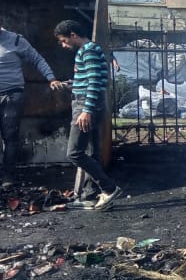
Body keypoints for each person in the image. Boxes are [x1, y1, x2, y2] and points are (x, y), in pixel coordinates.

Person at [53, 20, 122, 211]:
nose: (63, 45)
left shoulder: (88, 50)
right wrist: (68, 84)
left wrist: (86, 110)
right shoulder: (90, 50)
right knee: (93, 153)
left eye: (64, 41)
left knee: (74, 153)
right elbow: (89, 79)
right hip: (89, 103)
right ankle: (91, 195)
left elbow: (93, 82)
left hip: (86, 105)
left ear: (73, 35)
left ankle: (109, 188)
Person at [0, 25, 64, 185]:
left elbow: (37, 59)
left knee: (9, 137)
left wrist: (51, 78)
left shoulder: (16, 40)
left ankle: (8, 176)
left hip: (12, 96)